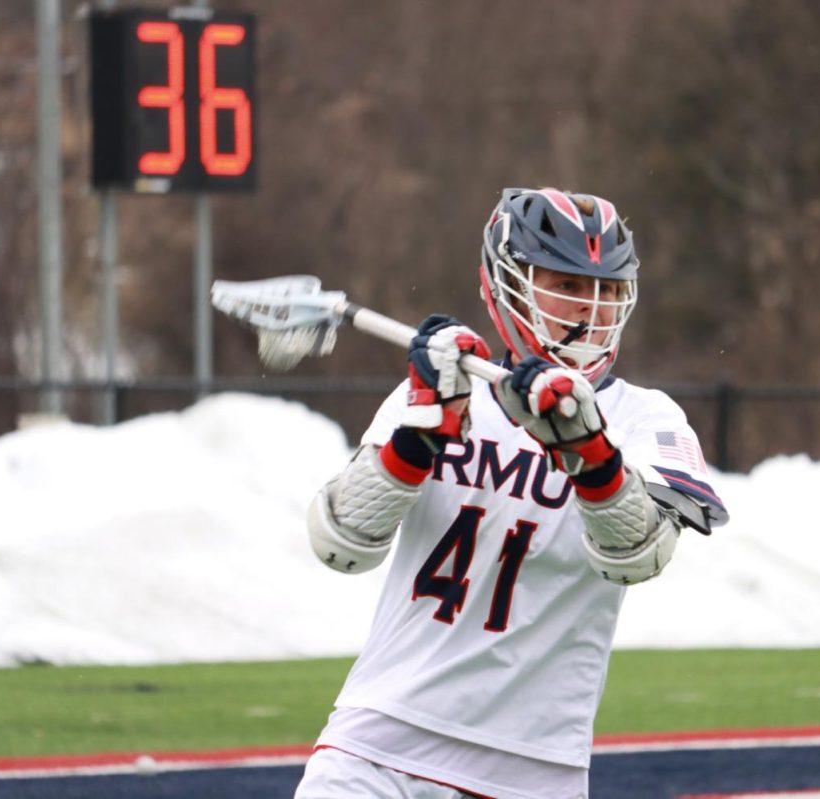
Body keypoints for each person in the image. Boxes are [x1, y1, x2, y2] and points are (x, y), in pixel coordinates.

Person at [294, 187, 728, 799]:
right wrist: (418, 440)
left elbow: (640, 555)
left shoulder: (645, 419)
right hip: (376, 743)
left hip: (530, 768)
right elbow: (341, 544)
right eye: (567, 285)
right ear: (502, 282)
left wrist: (589, 452)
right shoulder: (438, 391)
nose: (590, 309)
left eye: (606, 290)